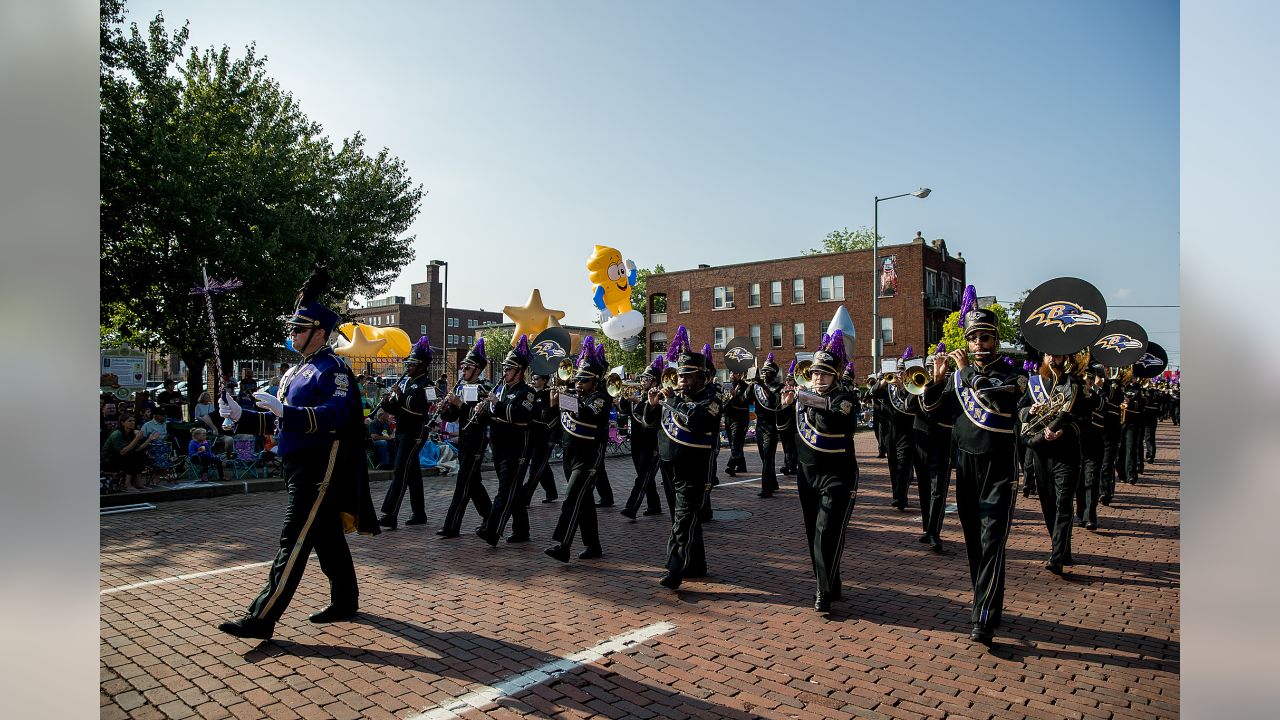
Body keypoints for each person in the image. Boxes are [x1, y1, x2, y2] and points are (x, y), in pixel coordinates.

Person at [215, 268, 379, 640]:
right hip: (295, 462)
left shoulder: (332, 370)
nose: (292, 336)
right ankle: (345, 600)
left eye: (298, 330)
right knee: (323, 535)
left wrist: (283, 412)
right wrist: (241, 417)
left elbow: (335, 415)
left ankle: (262, 617)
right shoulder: (296, 371)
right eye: (291, 329)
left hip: (321, 465)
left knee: (294, 538)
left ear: (319, 332)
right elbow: (278, 422)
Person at [923, 306, 1027, 646]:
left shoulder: (1012, 373)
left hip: (999, 466)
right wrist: (936, 383)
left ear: (995, 339)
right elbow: (932, 415)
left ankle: (982, 618)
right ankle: (989, 603)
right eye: (972, 338)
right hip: (966, 465)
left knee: (992, 540)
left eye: (984, 337)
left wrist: (963, 370)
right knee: (973, 542)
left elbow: (993, 399)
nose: (979, 343)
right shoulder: (955, 377)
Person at [779, 331, 860, 611]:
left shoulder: (845, 397)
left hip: (837, 474)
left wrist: (802, 397)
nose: (818, 379)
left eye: (825, 374)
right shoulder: (804, 399)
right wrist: (785, 407)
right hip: (807, 474)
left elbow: (833, 419)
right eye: (815, 374)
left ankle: (822, 592)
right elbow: (785, 432)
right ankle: (829, 582)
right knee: (813, 532)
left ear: (836, 376)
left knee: (826, 532)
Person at [655, 328, 721, 589]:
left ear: (702, 377)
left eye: (688, 376)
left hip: (696, 467)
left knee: (683, 520)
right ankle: (696, 564)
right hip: (670, 466)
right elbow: (654, 426)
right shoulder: (675, 398)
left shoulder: (713, 397)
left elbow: (699, 420)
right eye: (680, 376)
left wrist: (672, 403)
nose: (682, 381)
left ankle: (674, 570)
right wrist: (651, 406)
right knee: (683, 518)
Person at [545, 337, 612, 562]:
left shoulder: (601, 397)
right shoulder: (571, 397)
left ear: (595, 381)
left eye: (584, 381)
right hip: (569, 454)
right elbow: (552, 424)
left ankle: (563, 546)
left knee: (571, 497)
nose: (578, 384)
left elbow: (586, 414)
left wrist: (564, 398)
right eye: (577, 380)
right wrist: (553, 405)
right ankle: (593, 545)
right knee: (583, 502)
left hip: (589, 455)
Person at [1020, 352, 1086, 575]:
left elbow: (1083, 419)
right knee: (1048, 504)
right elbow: (1018, 410)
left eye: (1057, 355)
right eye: (1049, 355)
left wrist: (1063, 429)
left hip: (1066, 453)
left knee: (1063, 504)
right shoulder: (1034, 382)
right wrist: (1029, 411)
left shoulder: (1075, 382)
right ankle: (1062, 548)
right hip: (1041, 452)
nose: (1052, 359)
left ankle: (1056, 557)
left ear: (1065, 357)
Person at [477, 336, 536, 546]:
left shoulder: (527, 393)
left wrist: (497, 405)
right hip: (499, 447)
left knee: (504, 490)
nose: (505, 372)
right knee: (514, 490)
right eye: (504, 368)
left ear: (519, 371)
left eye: (509, 368)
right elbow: (493, 417)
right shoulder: (501, 390)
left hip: (516, 448)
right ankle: (521, 530)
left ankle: (491, 531)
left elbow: (521, 415)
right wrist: (483, 410)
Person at [436, 338, 494, 538]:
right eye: (462, 367)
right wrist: (445, 409)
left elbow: (481, 418)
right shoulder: (460, 387)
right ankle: (490, 515)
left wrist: (460, 405)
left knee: (463, 481)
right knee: (473, 482)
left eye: (467, 368)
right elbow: (453, 416)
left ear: (477, 369)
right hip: (464, 438)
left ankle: (452, 525)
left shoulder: (485, 388)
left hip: (477, 439)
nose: (463, 371)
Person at [377, 336, 436, 529]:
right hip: (403, 430)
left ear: (421, 366)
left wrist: (400, 397)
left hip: (416, 431)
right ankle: (419, 513)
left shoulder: (428, 385)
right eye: (408, 363)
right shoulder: (409, 383)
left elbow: (420, 409)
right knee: (412, 474)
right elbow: (399, 408)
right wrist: (387, 402)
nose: (408, 367)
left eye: (411, 364)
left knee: (400, 470)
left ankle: (390, 514)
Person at [915, 353, 956, 552]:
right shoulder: (916, 385)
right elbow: (907, 407)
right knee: (923, 488)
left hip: (941, 443)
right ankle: (927, 528)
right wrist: (906, 389)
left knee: (937, 490)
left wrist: (936, 382)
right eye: (929, 367)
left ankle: (935, 532)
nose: (932, 370)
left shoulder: (950, 386)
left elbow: (936, 411)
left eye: (935, 366)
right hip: (921, 443)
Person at [620, 357, 665, 518]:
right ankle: (654, 506)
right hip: (637, 442)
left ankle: (631, 508)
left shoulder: (658, 397)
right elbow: (624, 411)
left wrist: (638, 402)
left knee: (643, 477)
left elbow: (650, 420)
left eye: (646, 378)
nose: (642, 381)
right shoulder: (639, 395)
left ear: (654, 381)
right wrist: (623, 398)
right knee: (645, 476)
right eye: (642, 378)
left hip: (652, 443)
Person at [871, 357, 917, 511]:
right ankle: (897, 494)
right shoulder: (887, 388)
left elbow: (911, 404)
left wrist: (902, 387)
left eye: (902, 371)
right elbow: (872, 393)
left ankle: (900, 497)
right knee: (893, 465)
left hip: (906, 432)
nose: (899, 374)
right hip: (889, 432)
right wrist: (884, 381)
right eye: (897, 371)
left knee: (903, 465)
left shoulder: (913, 387)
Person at [520, 371, 560, 507]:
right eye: (533, 378)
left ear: (544, 381)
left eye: (536, 378)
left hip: (544, 434)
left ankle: (525, 497)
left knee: (535, 467)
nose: (533, 380)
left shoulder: (548, 394)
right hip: (531, 433)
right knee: (542, 465)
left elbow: (547, 415)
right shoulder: (529, 393)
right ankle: (552, 492)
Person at [751, 353, 784, 498]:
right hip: (759, 425)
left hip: (771, 426)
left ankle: (766, 489)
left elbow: (774, 403)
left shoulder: (779, 387)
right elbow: (744, 399)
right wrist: (748, 383)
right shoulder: (757, 387)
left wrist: (763, 386)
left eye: (767, 372)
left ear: (774, 374)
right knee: (764, 457)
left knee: (768, 457)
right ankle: (773, 483)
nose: (764, 374)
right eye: (763, 371)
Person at [101, 413, 161, 492]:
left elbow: (138, 449)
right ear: (122, 423)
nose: (132, 423)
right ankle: (127, 484)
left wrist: (149, 440)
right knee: (131, 456)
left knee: (141, 455)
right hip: (108, 459)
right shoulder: (117, 434)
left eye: (133, 421)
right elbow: (123, 452)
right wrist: (136, 439)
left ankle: (138, 483)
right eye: (129, 421)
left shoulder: (131, 433)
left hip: (121, 456)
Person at [721, 368, 751, 476]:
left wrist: (736, 396)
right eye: (733, 372)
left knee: (736, 442)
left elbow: (746, 402)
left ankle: (731, 466)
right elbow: (723, 401)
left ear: (741, 374)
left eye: (737, 373)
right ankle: (742, 465)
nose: (734, 375)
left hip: (740, 418)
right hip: (729, 418)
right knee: (734, 442)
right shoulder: (727, 386)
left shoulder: (746, 386)